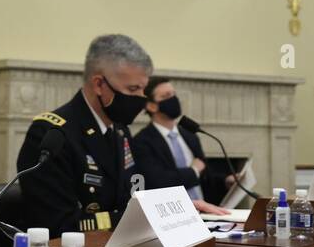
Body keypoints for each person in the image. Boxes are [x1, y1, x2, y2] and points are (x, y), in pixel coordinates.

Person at [16, 34, 151, 236]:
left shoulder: (120, 130)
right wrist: (133, 219)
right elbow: (57, 224)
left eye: (143, 89)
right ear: (98, 84)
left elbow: (130, 196)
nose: (141, 99)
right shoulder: (51, 134)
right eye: (133, 89)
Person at [131, 77, 232, 213]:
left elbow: (204, 176)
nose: (173, 99)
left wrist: (225, 180)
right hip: (172, 215)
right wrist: (193, 171)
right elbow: (159, 181)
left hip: (204, 212)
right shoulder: (142, 142)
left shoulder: (190, 135)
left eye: (173, 94)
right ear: (151, 105)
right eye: (166, 96)